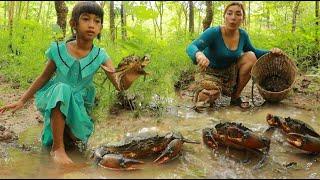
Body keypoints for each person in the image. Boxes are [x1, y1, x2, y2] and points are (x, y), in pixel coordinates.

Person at [0, 1, 122, 165]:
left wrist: (132, 74)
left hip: (79, 104)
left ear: (100, 27)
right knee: (62, 89)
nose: (92, 25)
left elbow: (119, 85)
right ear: (74, 24)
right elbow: (43, 77)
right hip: (55, 97)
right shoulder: (59, 50)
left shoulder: (101, 55)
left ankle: (65, 136)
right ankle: (57, 149)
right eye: (86, 19)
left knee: (78, 141)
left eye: (97, 21)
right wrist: (22, 100)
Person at [186, 1, 284, 110]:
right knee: (207, 97)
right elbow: (191, 46)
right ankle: (211, 94)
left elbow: (254, 52)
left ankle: (235, 97)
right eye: (229, 13)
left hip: (230, 73)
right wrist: (199, 54)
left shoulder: (243, 35)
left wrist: (272, 52)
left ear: (243, 18)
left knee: (250, 56)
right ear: (224, 16)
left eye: (238, 14)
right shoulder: (213, 32)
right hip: (210, 73)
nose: (233, 18)